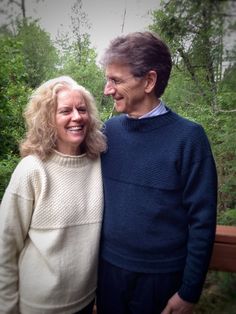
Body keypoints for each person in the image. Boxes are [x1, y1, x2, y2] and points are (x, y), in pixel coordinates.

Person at [96, 32, 218, 314]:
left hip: (162, 280)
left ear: (149, 81)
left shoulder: (189, 138)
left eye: (116, 80)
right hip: (109, 272)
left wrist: (189, 292)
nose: (107, 89)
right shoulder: (108, 132)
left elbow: (202, 220)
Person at [0, 76, 106, 314]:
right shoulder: (31, 169)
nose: (77, 117)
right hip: (38, 306)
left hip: (86, 301)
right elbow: (5, 247)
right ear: (48, 120)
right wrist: (7, 308)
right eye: (65, 111)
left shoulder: (99, 163)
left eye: (81, 109)